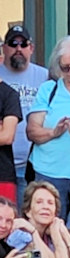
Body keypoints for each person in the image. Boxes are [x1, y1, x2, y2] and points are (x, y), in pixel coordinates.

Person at [26, 37, 70, 222]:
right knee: (46, 225)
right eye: (65, 67)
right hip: (49, 171)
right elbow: (32, 132)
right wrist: (54, 132)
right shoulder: (48, 89)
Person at [2, 24, 49, 184]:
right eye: (13, 44)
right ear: (4, 48)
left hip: (32, 164)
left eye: (23, 44)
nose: (18, 49)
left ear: (31, 48)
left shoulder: (45, 76)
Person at [0, 74, 20, 207]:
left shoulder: (9, 94)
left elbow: (7, 136)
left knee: (5, 224)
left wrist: (4, 130)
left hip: (2, 175)